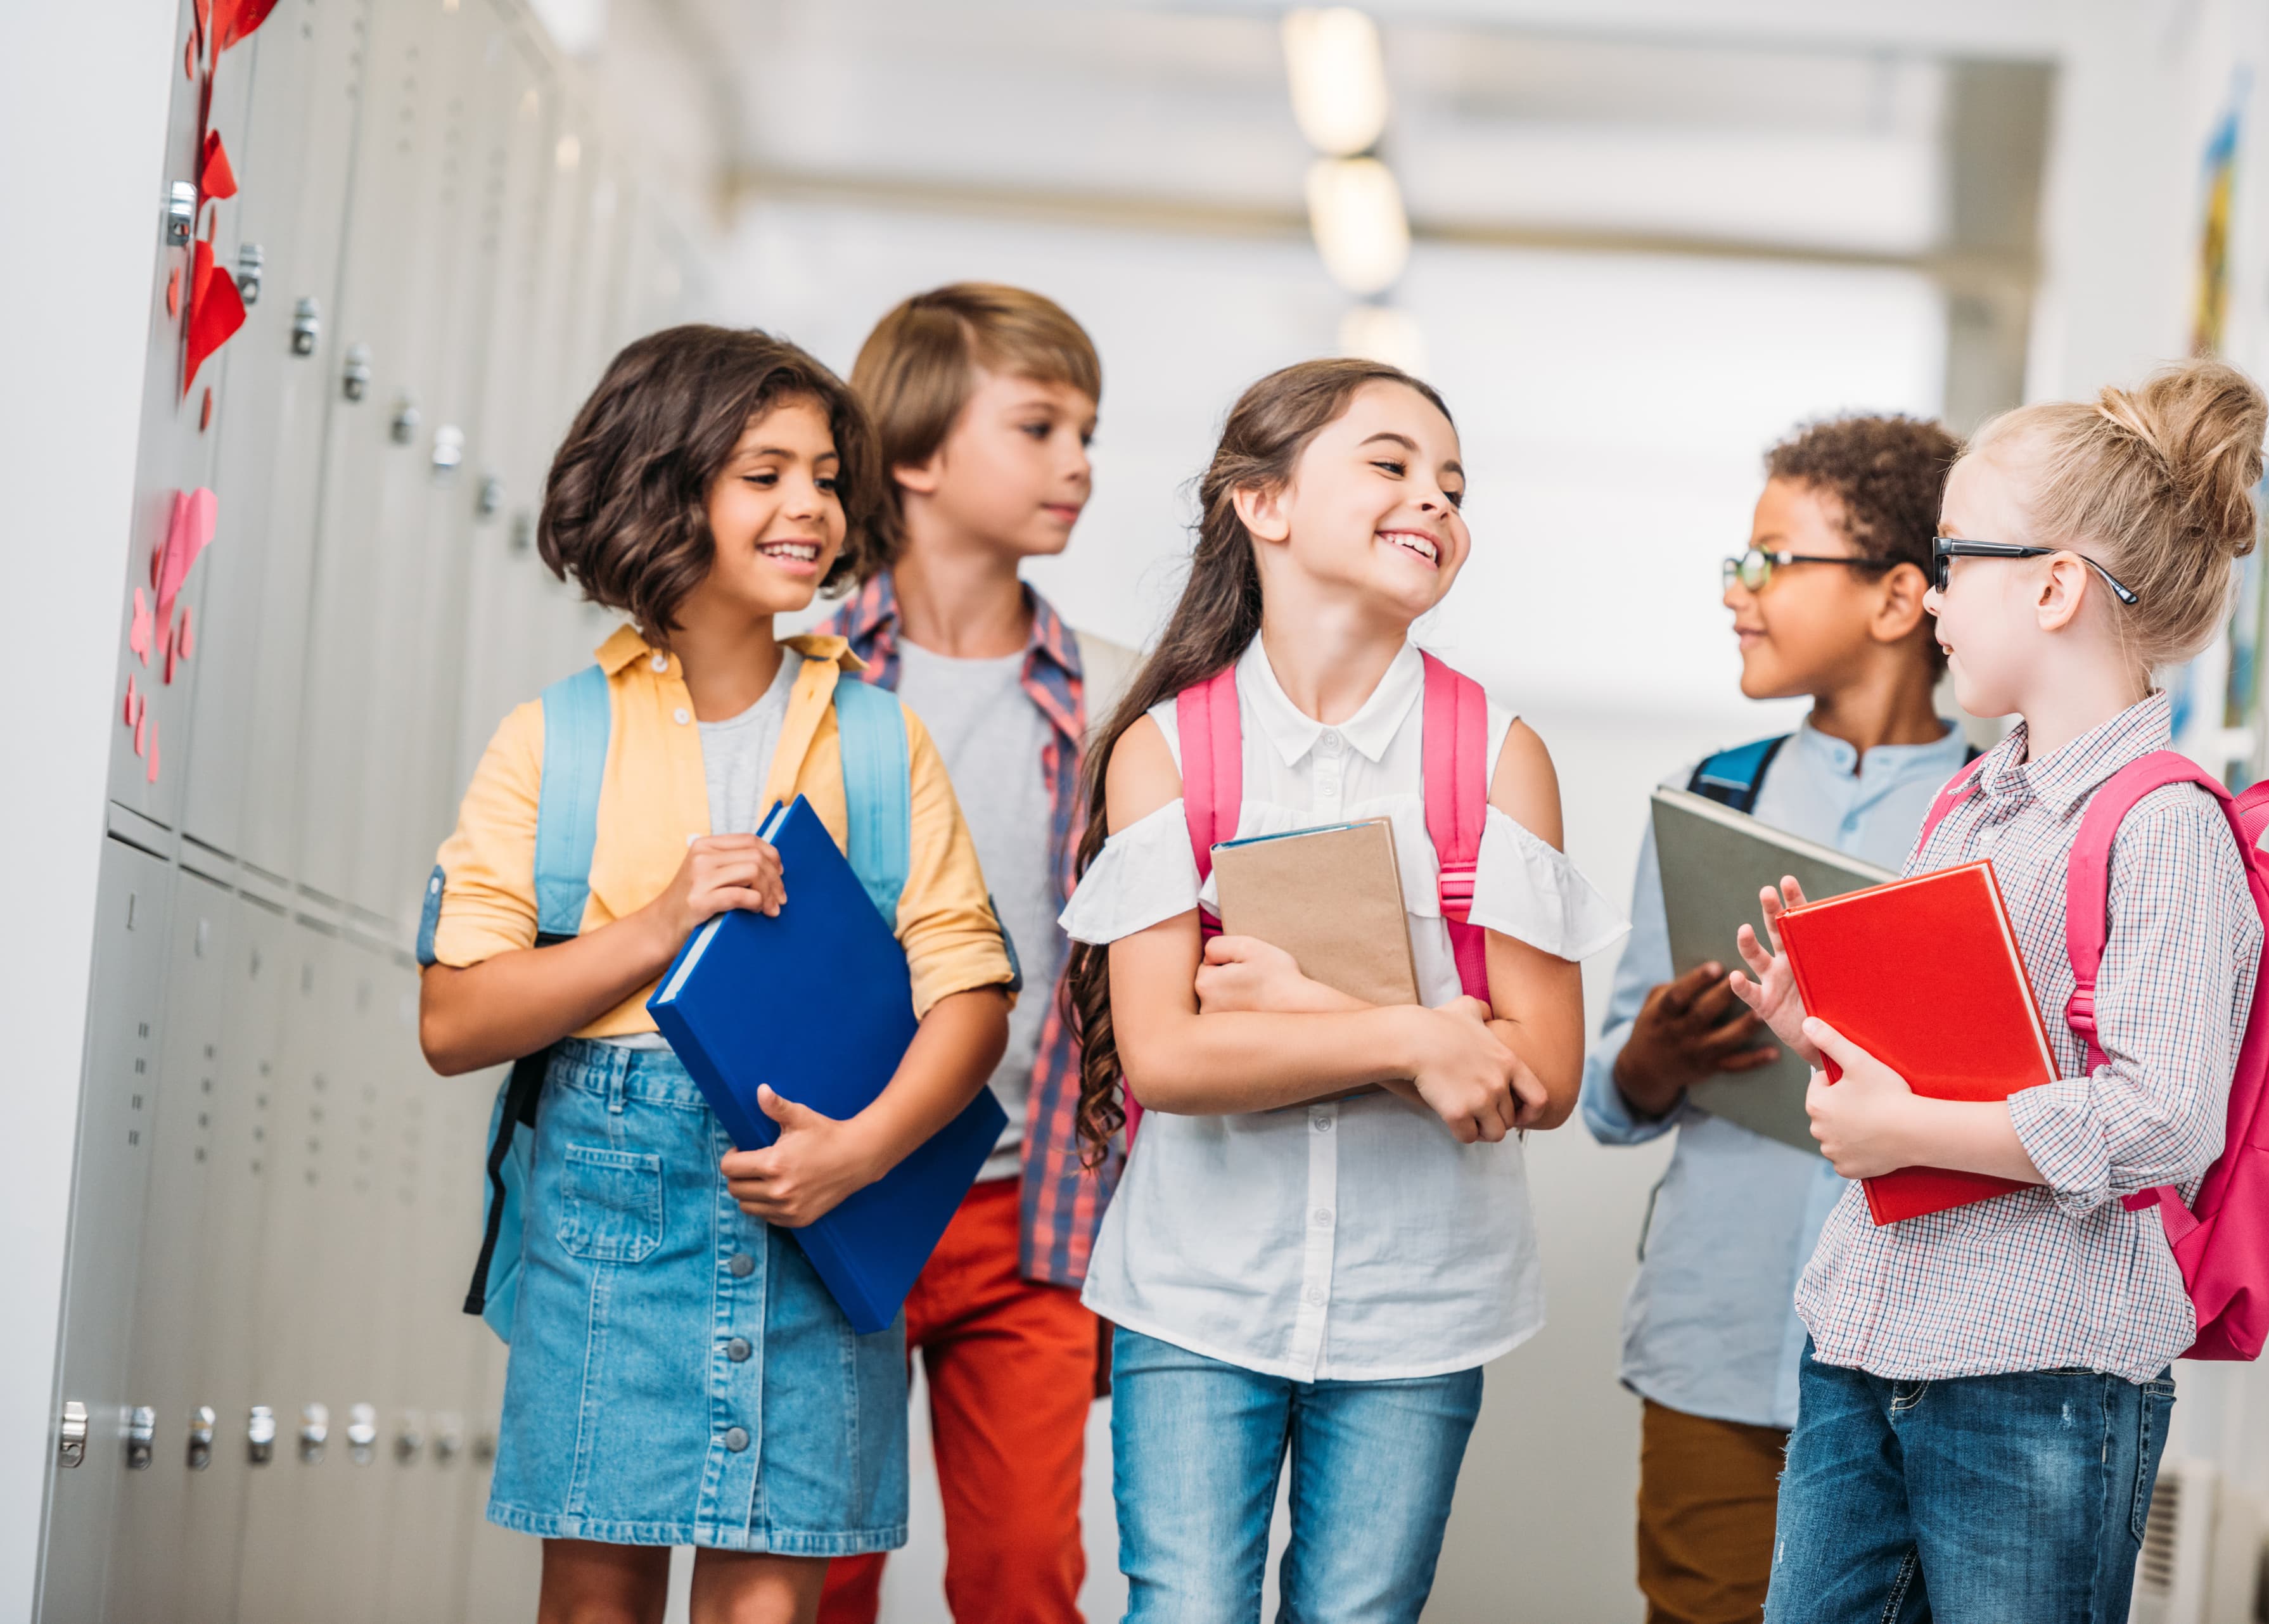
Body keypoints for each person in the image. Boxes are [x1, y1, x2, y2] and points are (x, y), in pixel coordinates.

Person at [416, 325, 1016, 1624]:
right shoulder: (554, 740)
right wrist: (658, 925)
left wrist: (860, 1153)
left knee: (765, 1610)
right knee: (593, 1604)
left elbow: (973, 992)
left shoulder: (877, 738)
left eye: (824, 476)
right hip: (611, 1221)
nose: (809, 505)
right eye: (763, 473)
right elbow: (456, 1019)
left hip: (819, 1207)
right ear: (661, 487)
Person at [1058, 357, 1624, 1623]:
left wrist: (1302, 1014)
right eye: (1392, 463)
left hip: (1421, 1307)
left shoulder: (1496, 757)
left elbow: (1534, 1078)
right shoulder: (1166, 753)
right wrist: (1414, 1034)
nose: (1435, 499)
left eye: (1454, 484)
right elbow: (1165, 1057)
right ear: (1263, 503)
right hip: (1196, 1294)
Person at [1733, 359, 2269, 1624]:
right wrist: (1820, 1028)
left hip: (2043, 1373)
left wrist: (1908, 1129)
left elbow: (2166, 1117)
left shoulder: (2166, 827)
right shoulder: (1970, 802)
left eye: (1954, 558)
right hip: (1862, 1339)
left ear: (2055, 583)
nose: (1932, 599)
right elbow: (1961, 1055)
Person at [1578, 416, 1963, 1624]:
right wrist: (1652, 1058)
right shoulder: (1713, 799)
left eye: (1772, 562)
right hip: (1718, 1339)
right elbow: (1613, 1092)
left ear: (1899, 597)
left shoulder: (1989, 821)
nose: (1738, 594)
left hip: (1920, 1356)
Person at [822, 283, 1137, 1624]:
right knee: (814, 1564)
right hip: (834, 1182)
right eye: (1041, 426)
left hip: (1033, 1205)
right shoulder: (804, 665)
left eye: (1089, 431)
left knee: (1023, 1576)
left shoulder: (1118, 693)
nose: (1080, 463)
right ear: (915, 454)